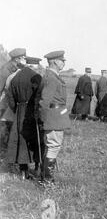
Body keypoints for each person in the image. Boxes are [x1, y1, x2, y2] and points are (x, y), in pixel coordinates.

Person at [36, 51, 71, 185]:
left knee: (52, 145)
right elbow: (44, 101)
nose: (63, 63)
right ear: (55, 61)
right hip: (53, 117)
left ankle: (45, 177)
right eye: (62, 60)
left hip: (56, 116)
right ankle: (47, 180)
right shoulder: (51, 77)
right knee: (53, 145)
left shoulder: (52, 76)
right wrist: (43, 119)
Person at [6, 56, 42, 179]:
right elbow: (39, 97)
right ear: (35, 65)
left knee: (21, 140)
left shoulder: (16, 77)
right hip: (31, 112)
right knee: (35, 139)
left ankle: (23, 170)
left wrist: (17, 109)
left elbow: (9, 97)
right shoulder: (36, 77)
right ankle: (37, 168)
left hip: (19, 111)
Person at [0, 48, 27, 149]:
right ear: (17, 59)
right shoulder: (5, 70)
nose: (24, 60)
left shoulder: (14, 68)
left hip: (10, 103)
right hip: (4, 103)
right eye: (23, 58)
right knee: (4, 126)